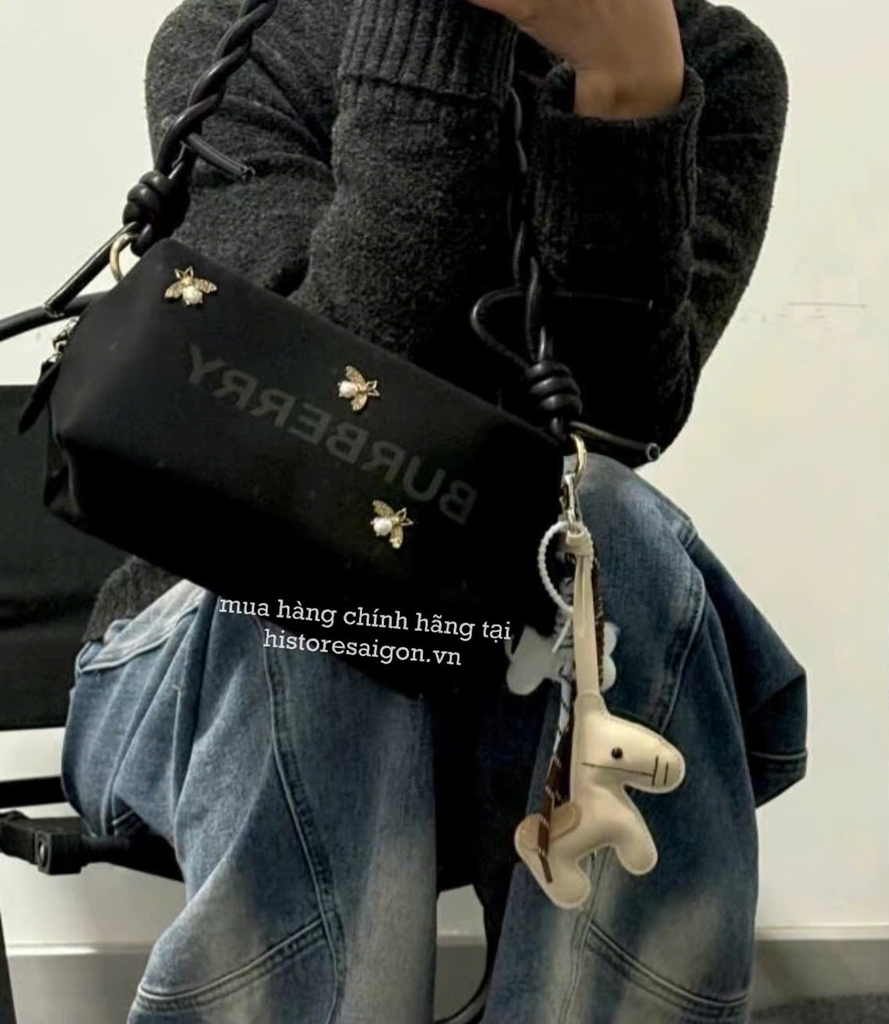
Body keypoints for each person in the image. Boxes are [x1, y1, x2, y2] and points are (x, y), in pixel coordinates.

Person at [60, 0, 806, 1020]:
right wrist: (429, 34)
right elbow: (306, 436)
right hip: (209, 646)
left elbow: (614, 423)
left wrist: (629, 99)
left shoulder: (706, 61)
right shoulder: (240, 38)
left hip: (513, 674)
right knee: (331, 562)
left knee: (608, 519)